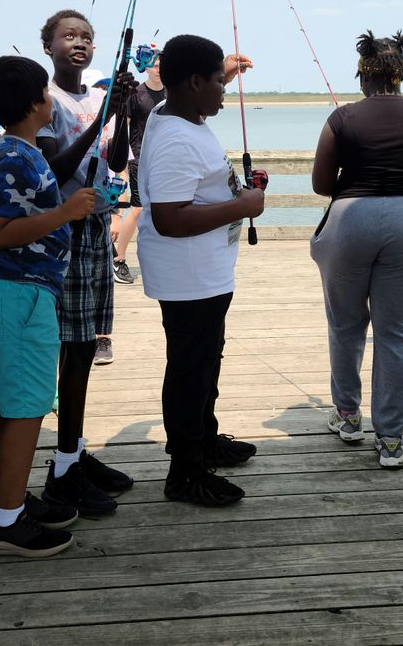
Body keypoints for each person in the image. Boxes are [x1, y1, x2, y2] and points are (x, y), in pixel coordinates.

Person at [311, 31, 403, 468]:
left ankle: (349, 416)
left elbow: (319, 183)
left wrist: (355, 190)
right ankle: (391, 438)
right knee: (396, 331)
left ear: (363, 74)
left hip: (350, 218)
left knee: (346, 323)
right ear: (400, 74)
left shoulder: (342, 117)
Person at [137, 35, 262, 506]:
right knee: (190, 370)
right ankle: (185, 473)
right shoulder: (175, 138)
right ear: (193, 82)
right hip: (188, 276)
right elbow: (169, 218)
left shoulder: (174, 112)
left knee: (206, 361)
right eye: (216, 81)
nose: (224, 89)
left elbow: (197, 85)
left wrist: (225, 69)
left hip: (205, 272)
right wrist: (242, 205)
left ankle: (204, 440)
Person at [0, 55, 90, 556]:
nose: (51, 99)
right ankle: (6, 522)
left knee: (5, 403)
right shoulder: (12, 157)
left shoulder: (25, 151)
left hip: (21, 293)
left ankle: (13, 500)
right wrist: (66, 211)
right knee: (25, 409)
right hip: (19, 293)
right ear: (32, 104)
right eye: (44, 92)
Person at [35, 11, 136, 516]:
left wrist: (122, 112)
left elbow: (114, 160)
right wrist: (100, 121)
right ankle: (63, 467)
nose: (80, 43)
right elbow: (54, 167)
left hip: (96, 226)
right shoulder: (45, 101)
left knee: (85, 344)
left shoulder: (98, 98)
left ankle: (71, 453)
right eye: (68, 36)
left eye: (87, 37)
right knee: (71, 347)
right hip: (62, 230)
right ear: (48, 45)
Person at [113, 47, 164, 287]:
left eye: (162, 63)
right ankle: (119, 259)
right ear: (146, 66)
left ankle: (158, 258)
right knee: (138, 209)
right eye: (154, 63)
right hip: (139, 159)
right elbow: (124, 127)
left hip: (164, 160)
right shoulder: (136, 94)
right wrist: (122, 165)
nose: (158, 67)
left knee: (162, 210)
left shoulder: (171, 93)